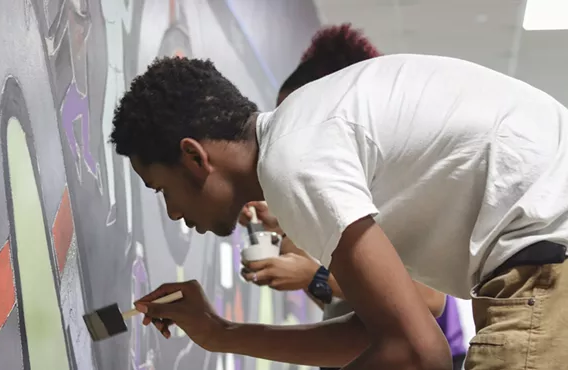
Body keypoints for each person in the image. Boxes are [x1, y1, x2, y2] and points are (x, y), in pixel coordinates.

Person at [110, 43, 568, 369]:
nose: (172, 213)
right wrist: (219, 334)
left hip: (546, 268)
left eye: (160, 189)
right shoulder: (301, 138)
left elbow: (417, 352)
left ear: (194, 157)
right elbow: (381, 333)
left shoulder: (292, 160)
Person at [236, 24, 466, 370]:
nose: (285, 138)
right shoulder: (346, 194)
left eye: (295, 118)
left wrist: (313, 275)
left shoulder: (388, 196)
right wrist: (289, 233)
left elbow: (430, 300)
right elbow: (356, 310)